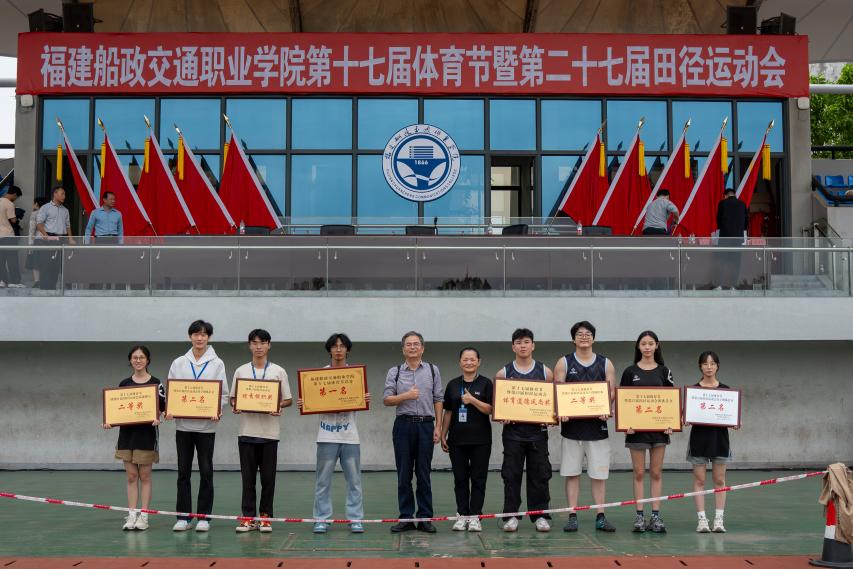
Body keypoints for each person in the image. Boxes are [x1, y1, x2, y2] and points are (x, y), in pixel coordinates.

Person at [300, 333, 370, 534]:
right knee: (322, 481)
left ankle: (355, 519)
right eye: (334, 346)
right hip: (326, 436)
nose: (338, 349)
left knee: (354, 481)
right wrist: (305, 402)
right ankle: (321, 519)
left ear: (347, 350)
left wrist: (364, 398)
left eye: (342, 346)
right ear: (329, 350)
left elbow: (360, 401)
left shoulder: (355, 376)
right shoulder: (318, 376)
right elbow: (311, 400)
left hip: (350, 436)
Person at [166, 319, 229, 532]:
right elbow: (172, 392)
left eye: (203, 334)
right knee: (183, 472)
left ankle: (204, 517)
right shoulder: (178, 362)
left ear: (208, 337)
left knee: (206, 472)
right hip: (183, 427)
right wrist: (170, 408)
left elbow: (224, 394)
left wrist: (217, 409)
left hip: (207, 428)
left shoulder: (217, 364)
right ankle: (183, 517)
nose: (199, 338)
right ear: (190, 336)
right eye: (196, 334)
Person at [554, 321, 616, 533]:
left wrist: (606, 406)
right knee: (572, 473)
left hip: (597, 428)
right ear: (573, 339)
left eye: (588, 333)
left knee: (599, 474)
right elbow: (558, 390)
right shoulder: (564, 362)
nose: (584, 337)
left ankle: (601, 515)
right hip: (572, 428)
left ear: (593, 338)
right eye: (579, 334)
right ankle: (572, 515)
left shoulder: (606, 363)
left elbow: (611, 391)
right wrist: (562, 409)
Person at [230, 329, 292, 534]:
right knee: (247, 480)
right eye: (255, 343)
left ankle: (265, 517)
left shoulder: (279, 371)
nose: (259, 346)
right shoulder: (241, 371)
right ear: (249, 345)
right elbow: (233, 398)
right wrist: (236, 405)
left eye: (263, 342)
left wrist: (278, 405)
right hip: (246, 433)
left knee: (268, 479)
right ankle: (248, 517)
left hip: (270, 434)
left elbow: (288, 399)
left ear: (269, 345)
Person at [383, 331, 443, 534]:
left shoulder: (433, 370)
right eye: (408, 344)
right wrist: (406, 395)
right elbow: (387, 399)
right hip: (403, 426)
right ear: (403, 349)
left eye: (416, 344)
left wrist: (438, 426)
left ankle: (425, 518)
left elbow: (438, 399)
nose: (412, 347)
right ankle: (406, 517)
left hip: (426, 425)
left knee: (424, 473)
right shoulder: (395, 371)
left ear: (422, 348)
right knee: (404, 474)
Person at [495, 328, 554, 533]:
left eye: (526, 342)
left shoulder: (545, 372)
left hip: (538, 432)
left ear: (533, 345)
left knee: (540, 474)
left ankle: (540, 515)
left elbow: (552, 401)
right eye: (519, 342)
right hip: (513, 433)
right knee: (511, 475)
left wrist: (552, 416)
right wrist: (503, 414)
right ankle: (511, 516)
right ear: (513, 346)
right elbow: (499, 405)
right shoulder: (503, 373)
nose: (523, 346)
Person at [103, 345, 165, 531]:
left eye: (142, 357)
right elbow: (117, 409)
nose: (138, 360)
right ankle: (131, 514)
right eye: (135, 357)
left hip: (146, 436)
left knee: (144, 476)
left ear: (148, 360)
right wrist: (110, 421)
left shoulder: (156, 383)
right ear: (130, 360)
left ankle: (144, 516)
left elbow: (163, 408)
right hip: (127, 436)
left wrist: (158, 417)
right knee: (131, 476)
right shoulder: (124, 384)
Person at [620, 330, 675, 534]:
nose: (647, 347)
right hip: (636, 431)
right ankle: (639, 515)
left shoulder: (664, 371)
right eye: (643, 343)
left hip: (659, 431)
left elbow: (671, 400)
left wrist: (671, 423)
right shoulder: (629, 372)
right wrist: (625, 424)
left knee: (656, 472)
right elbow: (623, 401)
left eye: (651, 343)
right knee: (639, 473)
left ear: (657, 345)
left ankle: (656, 515)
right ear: (638, 346)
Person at [440, 347, 493, 532]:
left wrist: (473, 400)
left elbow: (491, 409)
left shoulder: (486, 383)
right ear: (460, 362)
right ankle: (462, 515)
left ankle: (475, 516)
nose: (469, 362)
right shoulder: (453, 384)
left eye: (472, 359)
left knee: (478, 479)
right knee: (460, 479)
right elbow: (448, 411)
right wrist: (443, 434)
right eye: (465, 359)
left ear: (479, 362)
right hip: (457, 440)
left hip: (481, 440)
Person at [688, 351, 736, 534]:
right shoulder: (693, 391)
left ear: (717, 366)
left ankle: (718, 520)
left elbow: (731, 415)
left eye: (712, 364)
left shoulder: (726, 391)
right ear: (700, 366)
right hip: (699, 439)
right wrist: (685, 418)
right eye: (705, 364)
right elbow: (687, 415)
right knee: (699, 480)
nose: (709, 367)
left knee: (719, 480)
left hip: (720, 439)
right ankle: (702, 520)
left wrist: (735, 421)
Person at [35, 187, 74, 290]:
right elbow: (39, 223)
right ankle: (44, 289)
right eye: (62, 193)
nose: (64, 196)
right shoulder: (45, 207)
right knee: (46, 264)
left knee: (56, 266)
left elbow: (68, 226)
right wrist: (45, 235)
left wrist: (70, 238)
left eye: (64, 194)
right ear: (55, 194)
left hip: (61, 239)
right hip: (48, 239)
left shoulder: (65, 210)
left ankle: (53, 288)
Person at [715, 188, 749, 290]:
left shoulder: (722, 203)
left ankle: (719, 285)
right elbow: (746, 222)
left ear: (725, 195)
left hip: (725, 237)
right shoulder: (742, 204)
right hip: (738, 238)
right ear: (734, 195)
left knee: (721, 260)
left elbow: (718, 220)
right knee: (736, 262)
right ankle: (733, 285)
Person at [0, 186, 23, 288]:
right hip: (8, 235)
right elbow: (13, 220)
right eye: (16, 197)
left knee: (1, 260)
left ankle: (2, 281)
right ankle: (14, 281)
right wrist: (19, 221)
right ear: (14, 194)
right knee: (12, 259)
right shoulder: (9, 204)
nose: (16, 199)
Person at [25, 197, 49, 287]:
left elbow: (32, 229)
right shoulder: (48, 213)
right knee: (46, 260)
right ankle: (45, 279)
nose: (32, 205)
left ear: (36, 204)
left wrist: (30, 244)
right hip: (49, 239)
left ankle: (37, 281)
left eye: (33, 203)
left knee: (36, 261)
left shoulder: (34, 214)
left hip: (38, 239)